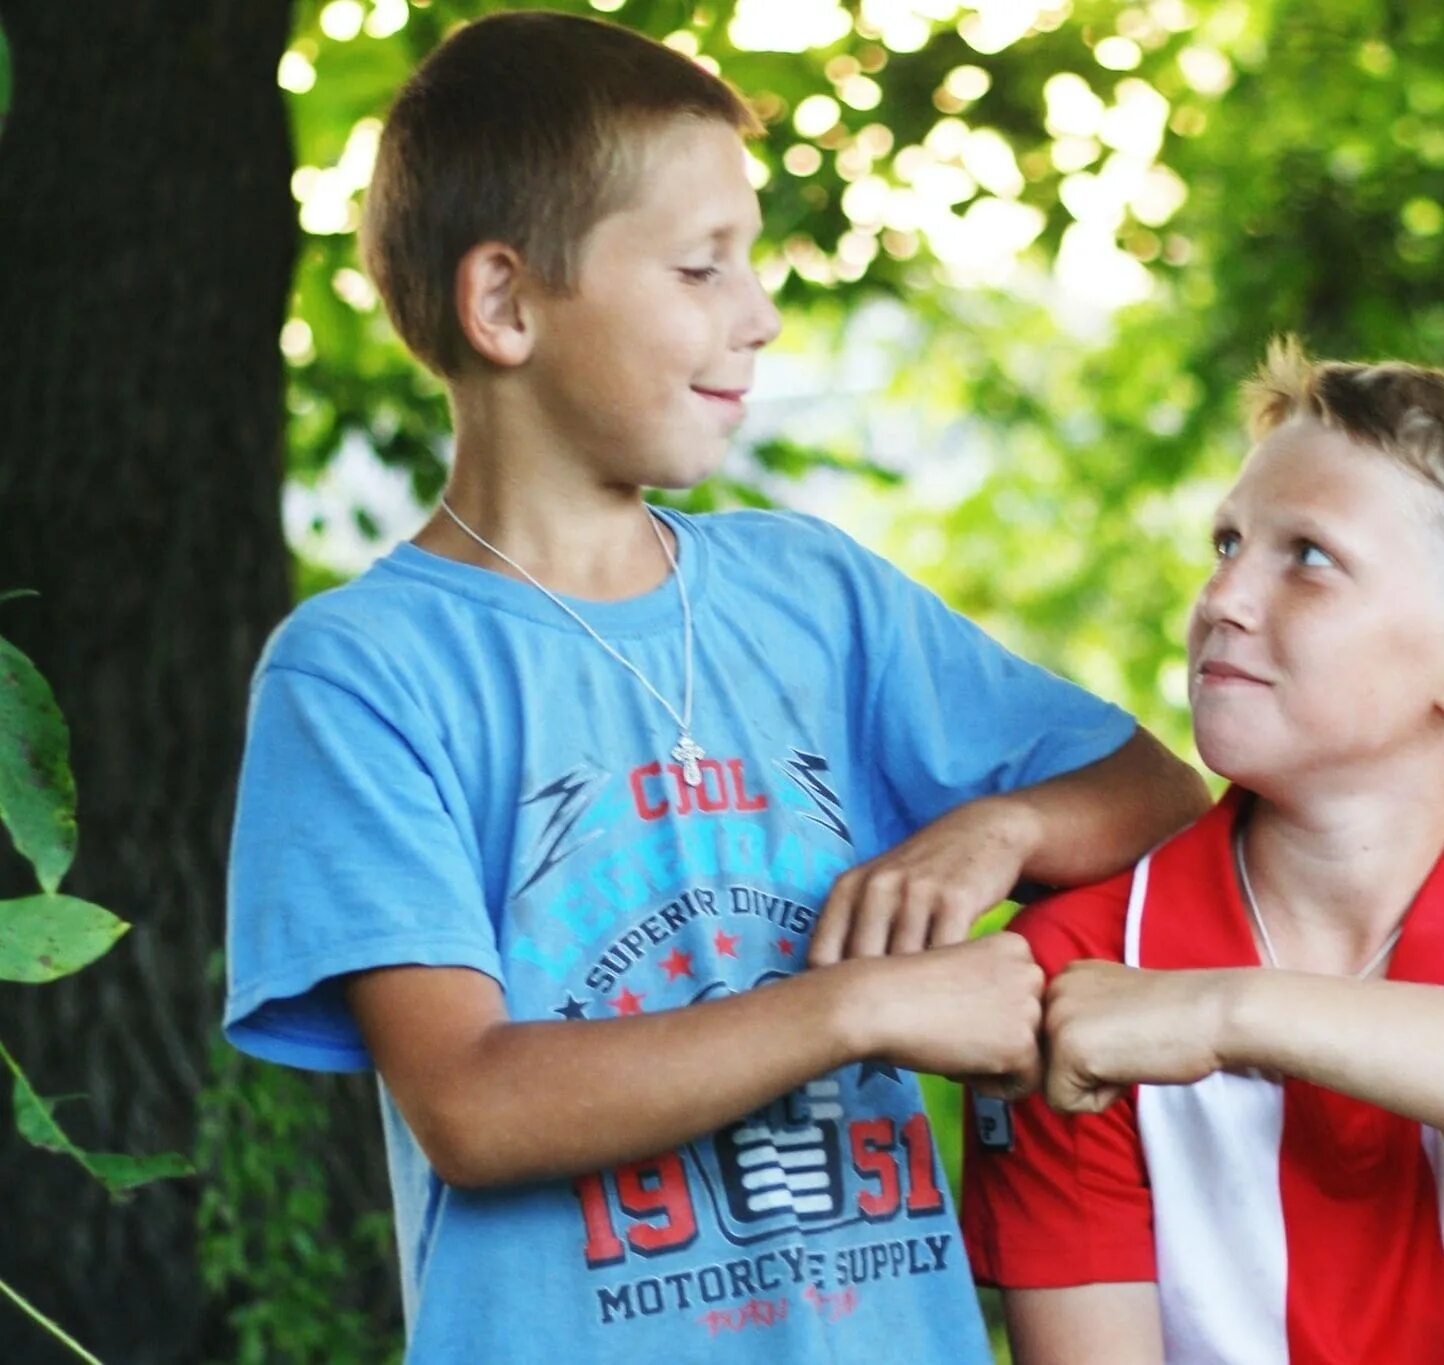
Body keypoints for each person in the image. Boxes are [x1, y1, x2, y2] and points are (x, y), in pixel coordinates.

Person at [220, 14, 1208, 1362]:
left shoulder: (815, 596)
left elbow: (1158, 797)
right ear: (504, 303)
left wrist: (999, 830)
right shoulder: (362, 671)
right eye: (702, 267)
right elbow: (473, 1102)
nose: (758, 313)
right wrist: (860, 1008)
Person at [961, 341, 1444, 1365]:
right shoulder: (1081, 966)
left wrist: (1226, 1011)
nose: (1223, 600)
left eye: (1309, 558)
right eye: (1227, 544)